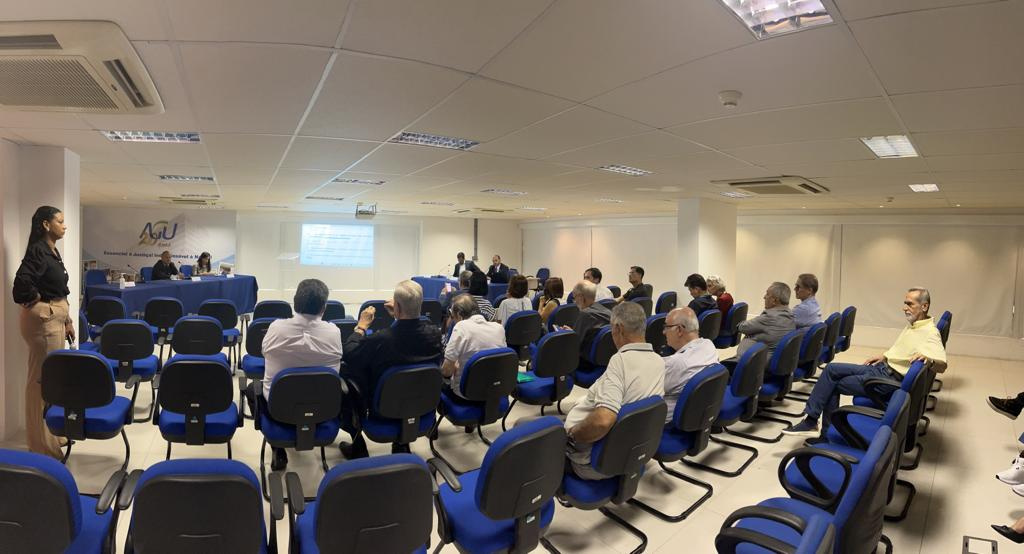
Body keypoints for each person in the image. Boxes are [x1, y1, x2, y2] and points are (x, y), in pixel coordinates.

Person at [783, 287, 946, 438]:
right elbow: (904, 349)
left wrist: (930, 360)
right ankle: (812, 421)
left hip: (887, 380)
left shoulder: (930, 332)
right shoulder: (915, 325)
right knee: (831, 369)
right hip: (882, 369)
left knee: (832, 384)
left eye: (910, 304)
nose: (904, 308)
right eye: (905, 303)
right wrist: (885, 356)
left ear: (924, 306)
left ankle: (820, 429)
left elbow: (942, 365)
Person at [340, 280, 444, 457]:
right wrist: (398, 315)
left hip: (381, 411)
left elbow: (349, 354)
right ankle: (402, 444)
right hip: (420, 407)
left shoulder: (381, 340)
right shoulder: (434, 334)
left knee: (346, 374)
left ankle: (358, 446)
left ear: (397, 307)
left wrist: (361, 327)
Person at [563, 302, 665, 480]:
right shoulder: (659, 361)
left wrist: (571, 436)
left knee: (528, 429)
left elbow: (603, 421)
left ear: (618, 328)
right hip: (627, 452)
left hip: (590, 460)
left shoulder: (620, 362)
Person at [260, 279, 343, 470]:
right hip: (323, 410)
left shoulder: (276, 328)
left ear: (295, 302)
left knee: (253, 388)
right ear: (323, 308)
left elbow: (264, 353)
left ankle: (277, 447)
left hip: (278, 410)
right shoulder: (334, 332)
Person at [12, 206, 74, 459]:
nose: (65, 225)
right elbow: (20, 287)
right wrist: (38, 300)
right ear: (46, 225)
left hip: (55, 319)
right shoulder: (38, 249)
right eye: (60, 221)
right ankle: (41, 446)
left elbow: (57, 288)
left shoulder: (51, 250)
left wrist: (67, 319)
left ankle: (53, 434)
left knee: (52, 380)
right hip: (44, 322)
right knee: (41, 383)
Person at [662, 307, 720, 423]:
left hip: (667, 422)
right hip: (698, 414)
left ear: (679, 330)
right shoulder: (709, 345)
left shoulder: (677, 363)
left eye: (666, 327)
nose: (663, 332)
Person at [442, 295, 507, 399]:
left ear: (459, 315)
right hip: (493, 392)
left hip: (465, 394)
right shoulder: (499, 329)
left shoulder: (461, 327)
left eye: (453, 317)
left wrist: (453, 367)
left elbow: (446, 371)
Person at [735, 282, 796, 356]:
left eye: (767, 294)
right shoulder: (790, 315)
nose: (764, 297)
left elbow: (743, 327)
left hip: (754, 361)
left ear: (774, 301)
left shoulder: (770, 317)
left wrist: (740, 326)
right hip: (771, 358)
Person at [567, 281, 612, 366]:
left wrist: (569, 334)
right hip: (606, 358)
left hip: (585, 362)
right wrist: (572, 331)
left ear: (581, 297)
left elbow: (574, 343)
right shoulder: (606, 310)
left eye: (574, 297)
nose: (574, 301)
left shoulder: (585, 314)